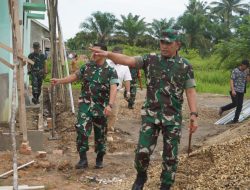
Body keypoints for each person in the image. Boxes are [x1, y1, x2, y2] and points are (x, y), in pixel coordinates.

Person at [90, 28, 198, 190]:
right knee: (142, 151)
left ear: (177, 44)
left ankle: (166, 185)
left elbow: (190, 90)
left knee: (170, 156)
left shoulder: (185, 66)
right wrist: (108, 54)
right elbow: (128, 60)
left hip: (173, 117)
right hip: (150, 115)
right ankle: (141, 175)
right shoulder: (150, 59)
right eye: (162, 42)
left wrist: (194, 114)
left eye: (168, 43)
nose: (164, 46)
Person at [51, 43, 119, 169]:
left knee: (101, 134)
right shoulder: (86, 67)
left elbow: (113, 88)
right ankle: (83, 159)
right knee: (81, 129)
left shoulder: (110, 71)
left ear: (103, 54)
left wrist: (110, 105)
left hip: (101, 107)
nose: (93, 54)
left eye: (96, 51)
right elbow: (74, 77)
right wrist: (59, 81)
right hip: (85, 106)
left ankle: (99, 158)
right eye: (92, 51)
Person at [107, 46, 132, 131]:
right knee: (101, 111)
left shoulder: (125, 66)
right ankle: (101, 130)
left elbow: (127, 79)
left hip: (116, 92)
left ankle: (109, 130)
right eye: (115, 55)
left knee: (113, 112)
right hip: (103, 90)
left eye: (119, 56)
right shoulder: (106, 63)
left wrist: (128, 91)